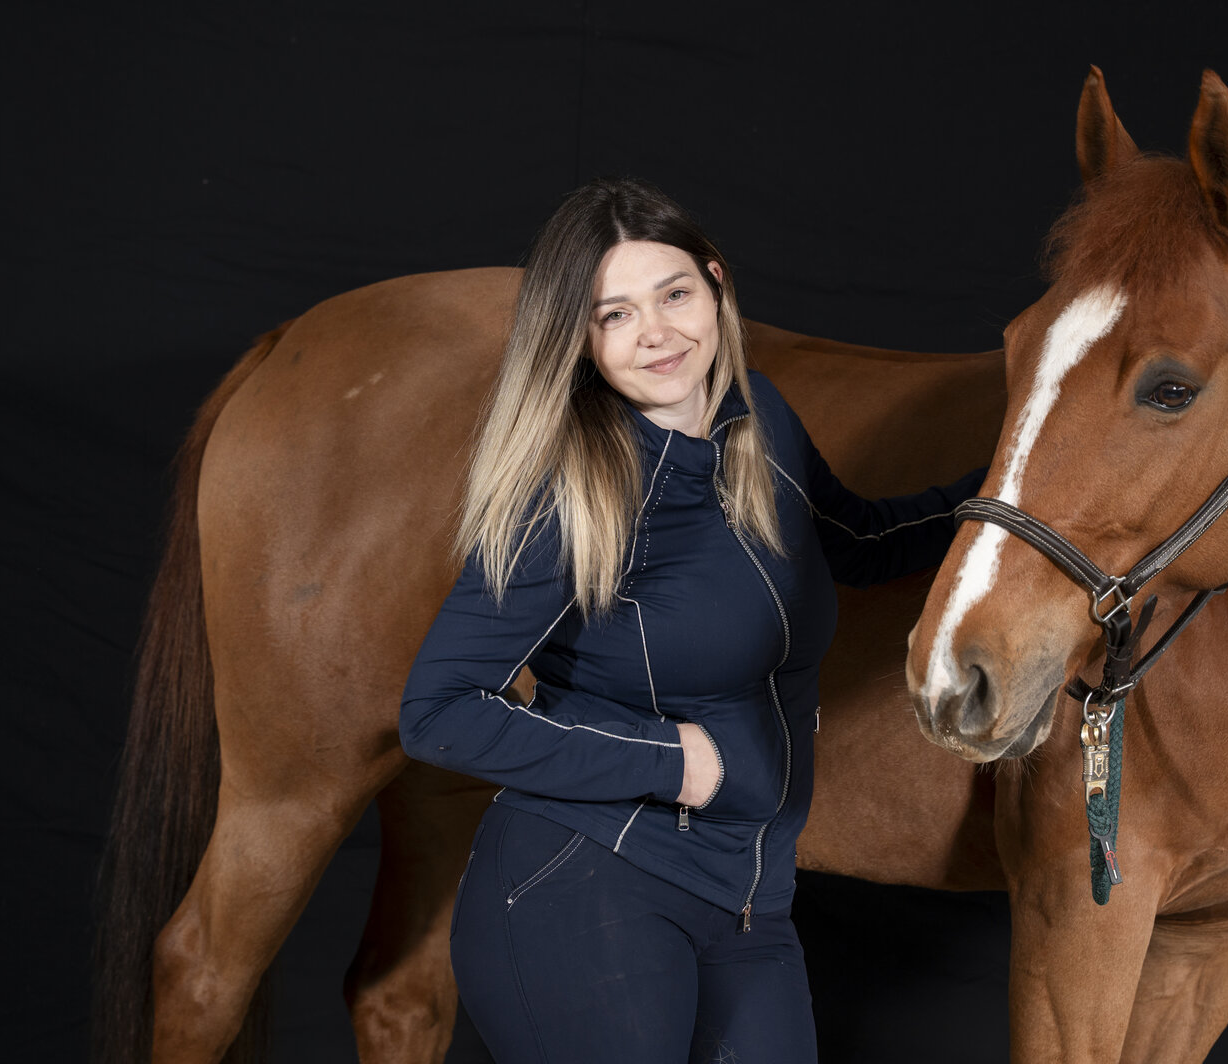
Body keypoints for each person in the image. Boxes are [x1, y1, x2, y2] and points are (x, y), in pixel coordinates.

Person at [399, 177, 983, 1064]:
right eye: (614, 315)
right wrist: (671, 762)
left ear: (715, 284)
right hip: (586, 888)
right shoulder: (573, 490)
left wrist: (1018, 501)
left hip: (752, 900)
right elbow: (437, 710)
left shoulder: (765, 423)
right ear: (579, 338)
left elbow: (859, 543)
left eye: (673, 294)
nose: (657, 333)